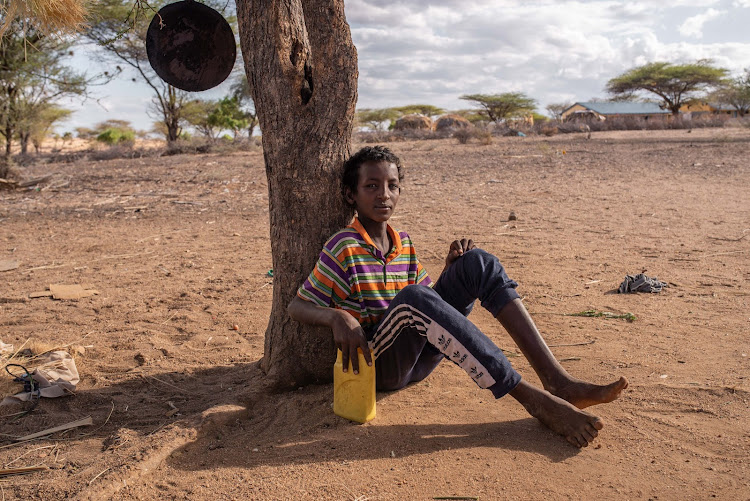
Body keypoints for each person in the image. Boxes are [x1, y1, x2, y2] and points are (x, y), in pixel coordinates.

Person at [288, 145, 628, 448]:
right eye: (371, 187)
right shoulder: (344, 246)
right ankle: (530, 398)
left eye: (392, 186)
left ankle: (558, 381)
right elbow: (298, 305)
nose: (384, 195)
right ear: (352, 195)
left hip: (417, 358)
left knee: (477, 262)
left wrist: (454, 271)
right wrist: (336, 316)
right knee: (414, 297)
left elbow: (428, 307)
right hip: (379, 366)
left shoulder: (402, 242)